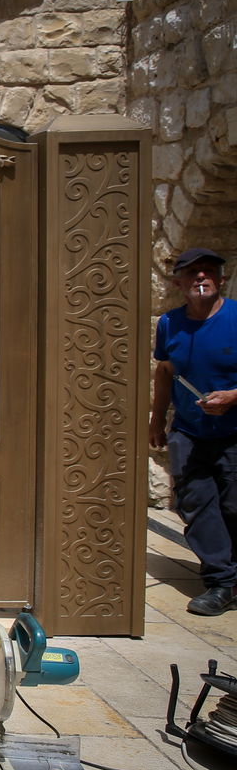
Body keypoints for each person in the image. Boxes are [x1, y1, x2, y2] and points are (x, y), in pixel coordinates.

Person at [150, 247, 237, 616]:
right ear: (179, 283)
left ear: (220, 280)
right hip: (188, 429)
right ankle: (222, 582)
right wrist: (156, 420)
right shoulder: (169, 324)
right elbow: (166, 371)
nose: (200, 278)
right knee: (195, 501)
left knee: (232, 506)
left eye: (208, 272)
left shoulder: (235, 317)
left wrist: (233, 396)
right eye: (192, 273)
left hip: (233, 430)